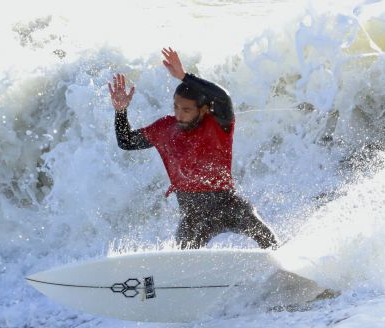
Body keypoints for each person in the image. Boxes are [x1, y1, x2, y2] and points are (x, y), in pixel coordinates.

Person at [109, 47, 279, 249]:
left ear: (204, 110)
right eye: (176, 108)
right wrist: (121, 112)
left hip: (227, 204)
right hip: (193, 215)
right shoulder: (165, 128)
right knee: (183, 257)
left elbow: (223, 97)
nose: (179, 115)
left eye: (187, 110)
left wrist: (184, 76)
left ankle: (284, 271)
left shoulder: (218, 125)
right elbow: (126, 141)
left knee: (268, 240)